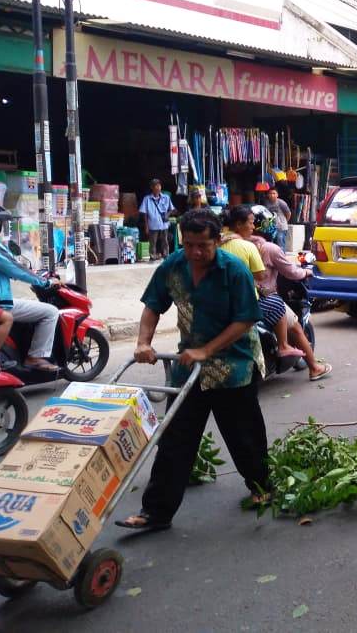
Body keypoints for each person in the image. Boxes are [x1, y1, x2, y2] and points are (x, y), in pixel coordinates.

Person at [116, 209, 270, 531]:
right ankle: (156, 513)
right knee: (174, 437)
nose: (196, 253)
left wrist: (208, 350)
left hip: (234, 363)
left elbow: (245, 319)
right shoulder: (174, 265)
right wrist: (144, 342)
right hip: (190, 365)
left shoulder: (234, 270)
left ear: (218, 240)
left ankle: (261, 486)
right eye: (189, 245)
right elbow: (153, 305)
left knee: (243, 435)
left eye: (203, 245)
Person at [246, 205, 330, 382]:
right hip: (264, 298)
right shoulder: (269, 248)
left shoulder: (237, 243)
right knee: (297, 328)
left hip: (241, 298)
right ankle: (314, 367)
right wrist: (306, 272)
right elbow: (291, 272)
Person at [0, 202, 60, 374]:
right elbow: (16, 269)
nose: (1, 226)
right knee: (50, 312)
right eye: (0, 223)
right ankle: (35, 357)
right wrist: (45, 282)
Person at [222, 205, 303, 361]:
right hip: (245, 301)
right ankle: (284, 346)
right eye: (250, 223)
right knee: (277, 303)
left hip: (221, 297)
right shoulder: (251, 246)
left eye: (254, 223)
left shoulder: (219, 240)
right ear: (239, 224)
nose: (253, 226)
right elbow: (261, 275)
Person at [139, 179, 174, 261]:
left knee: (164, 240)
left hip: (163, 224)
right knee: (153, 242)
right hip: (153, 224)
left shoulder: (166, 198)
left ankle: (166, 255)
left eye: (159, 185)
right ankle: (152, 256)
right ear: (152, 187)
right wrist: (146, 226)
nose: (158, 187)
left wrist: (167, 215)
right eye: (156, 186)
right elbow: (145, 214)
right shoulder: (147, 199)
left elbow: (171, 209)